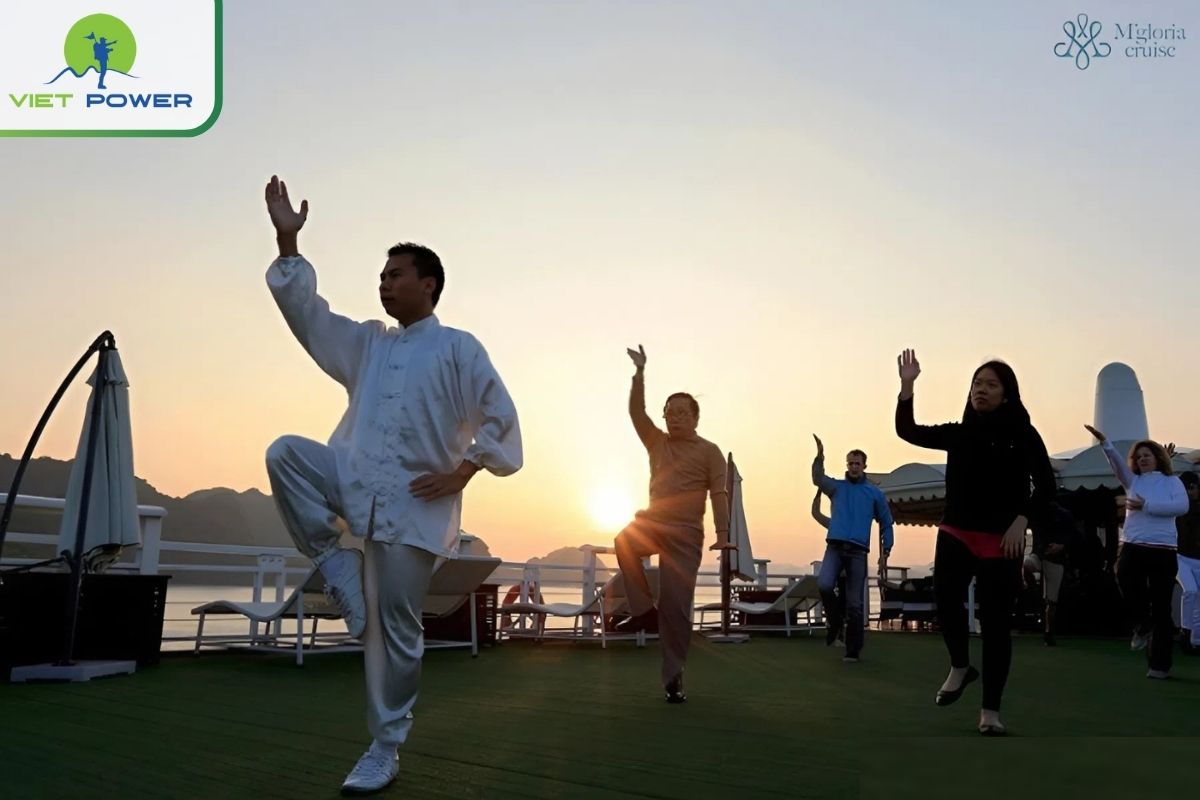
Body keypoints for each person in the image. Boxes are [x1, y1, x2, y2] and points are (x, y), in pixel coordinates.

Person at [261, 175, 522, 793]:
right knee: (285, 455)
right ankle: (334, 561)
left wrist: (465, 469)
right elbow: (310, 317)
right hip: (351, 482)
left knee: (396, 629)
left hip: (415, 510)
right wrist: (287, 243)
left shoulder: (459, 349)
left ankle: (385, 745)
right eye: (382, 274)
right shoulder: (369, 345)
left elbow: (502, 419)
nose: (384, 282)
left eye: (395, 273)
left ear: (428, 283)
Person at [895, 350, 1055, 736]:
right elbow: (908, 431)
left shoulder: (1023, 435)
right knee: (946, 599)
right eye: (976, 384)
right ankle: (961, 665)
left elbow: (1047, 486)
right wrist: (907, 385)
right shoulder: (960, 432)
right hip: (957, 531)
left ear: (1007, 394)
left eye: (990, 384)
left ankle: (990, 712)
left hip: (1002, 540)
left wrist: (1022, 520)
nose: (980, 390)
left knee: (997, 626)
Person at [614, 344, 733, 704]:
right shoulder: (656, 442)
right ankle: (642, 611)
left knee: (677, 609)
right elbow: (636, 412)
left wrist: (723, 535)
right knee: (624, 541)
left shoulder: (710, 452)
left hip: (685, 536)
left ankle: (673, 676)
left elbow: (719, 494)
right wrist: (639, 374)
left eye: (683, 412)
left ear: (696, 418)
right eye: (671, 412)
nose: (676, 417)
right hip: (653, 524)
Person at [1085, 425, 1187, 678]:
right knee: (1124, 578)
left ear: (1158, 458)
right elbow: (1118, 466)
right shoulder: (1133, 481)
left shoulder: (1172, 481)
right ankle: (1142, 625)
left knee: (1162, 608)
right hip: (1133, 545)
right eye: (1138, 456)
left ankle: (1159, 666)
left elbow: (1181, 506)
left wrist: (1147, 505)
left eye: (1147, 455)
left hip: (1163, 549)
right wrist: (1106, 443)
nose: (1141, 459)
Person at [811, 436, 894, 662]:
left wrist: (885, 552)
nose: (854, 467)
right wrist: (820, 456)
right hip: (835, 546)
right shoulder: (837, 487)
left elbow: (887, 522)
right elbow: (817, 478)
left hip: (858, 551)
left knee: (856, 604)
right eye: (850, 463)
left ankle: (852, 650)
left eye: (857, 464)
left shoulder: (874, 493)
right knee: (824, 584)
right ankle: (836, 621)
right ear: (846, 465)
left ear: (864, 466)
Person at [1023, 502, 1079, 646]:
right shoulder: (1036, 514)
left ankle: (1048, 632)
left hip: (1056, 559)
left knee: (1051, 600)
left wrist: (1061, 546)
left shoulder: (1064, 515)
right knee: (1027, 565)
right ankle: (1033, 591)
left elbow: (1075, 537)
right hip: (1041, 554)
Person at [1175, 471, 1200, 652]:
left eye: (1191, 488)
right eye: (1186, 488)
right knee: (1190, 590)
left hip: (1197, 558)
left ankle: (1195, 640)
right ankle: (1186, 634)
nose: (1189, 492)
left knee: (1198, 598)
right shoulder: (1179, 507)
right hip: (1180, 557)